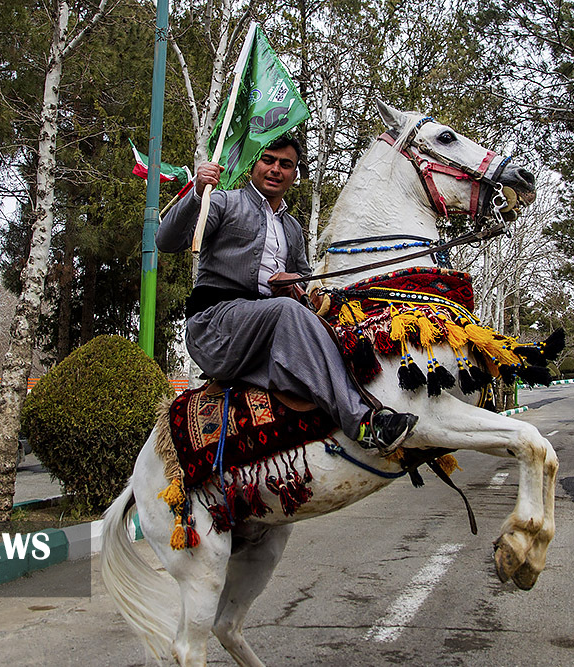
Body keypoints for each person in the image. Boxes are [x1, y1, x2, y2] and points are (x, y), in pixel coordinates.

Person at [155, 135, 418, 454]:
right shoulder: (223, 201)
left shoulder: (292, 228)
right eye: (269, 160)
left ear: (295, 175)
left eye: (286, 164)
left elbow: (304, 292)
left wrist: (296, 284)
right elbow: (167, 241)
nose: (276, 169)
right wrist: (197, 193)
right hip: (216, 328)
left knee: (334, 328)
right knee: (285, 311)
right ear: (255, 165)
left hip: (269, 337)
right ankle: (365, 423)